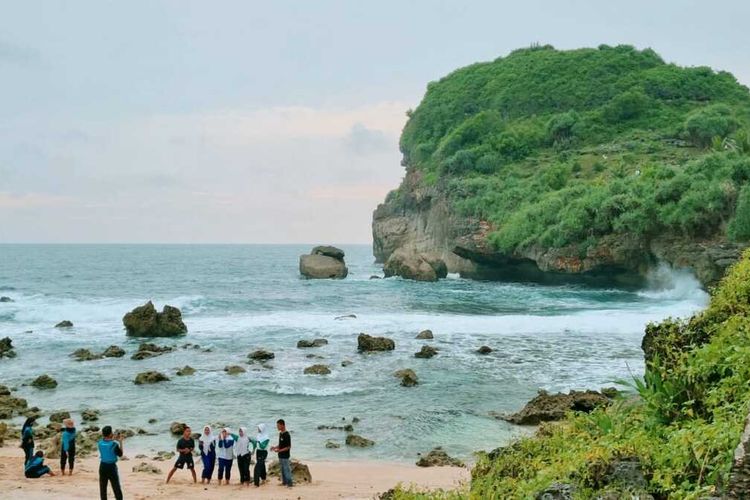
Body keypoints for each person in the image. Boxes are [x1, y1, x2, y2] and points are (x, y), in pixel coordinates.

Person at [98, 425, 124, 500]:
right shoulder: (114, 444)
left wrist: (113, 438)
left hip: (102, 466)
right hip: (111, 467)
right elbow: (121, 454)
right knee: (116, 487)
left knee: (103, 488)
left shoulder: (100, 443)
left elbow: (106, 441)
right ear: (110, 434)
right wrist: (120, 442)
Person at [271, 419, 293, 488]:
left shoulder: (287, 434)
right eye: (277, 426)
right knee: (282, 469)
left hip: (285, 455)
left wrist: (279, 451)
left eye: (278, 426)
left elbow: (288, 447)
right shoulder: (280, 433)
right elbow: (280, 445)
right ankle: (284, 482)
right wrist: (275, 447)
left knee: (286, 469)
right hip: (280, 455)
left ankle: (289, 484)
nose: (277, 427)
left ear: (283, 425)